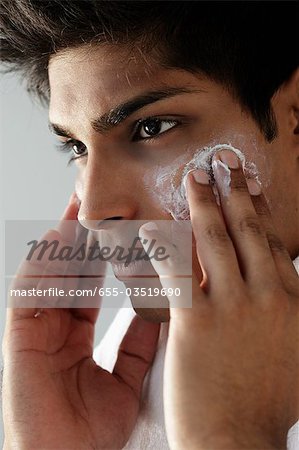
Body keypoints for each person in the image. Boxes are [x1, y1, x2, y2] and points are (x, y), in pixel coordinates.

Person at [1, 1, 299, 449]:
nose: (92, 209)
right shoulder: (129, 369)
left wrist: (230, 437)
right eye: (78, 147)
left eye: (152, 127)